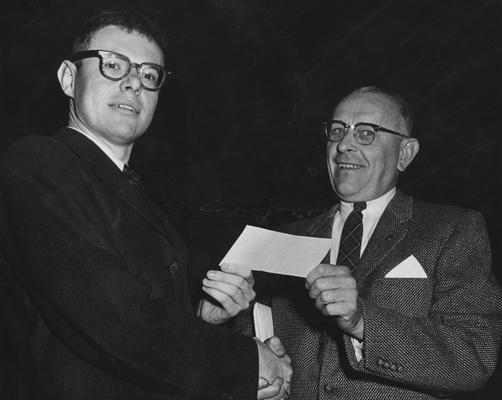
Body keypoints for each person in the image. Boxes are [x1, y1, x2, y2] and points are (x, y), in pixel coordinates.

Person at [0, 10, 291, 400]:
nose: (134, 83)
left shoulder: (130, 185)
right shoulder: (38, 163)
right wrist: (247, 362)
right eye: (113, 65)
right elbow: (109, 320)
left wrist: (202, 315)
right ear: (69, 78)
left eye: (149, 74)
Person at [232, 86, 502, 399]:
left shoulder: (452, 229)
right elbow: (243, 347)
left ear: (405, 153)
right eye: (337, 131)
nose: (343, 144)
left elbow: (474, 358)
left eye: (366, 133)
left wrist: (363, 322)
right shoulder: (284, 238)